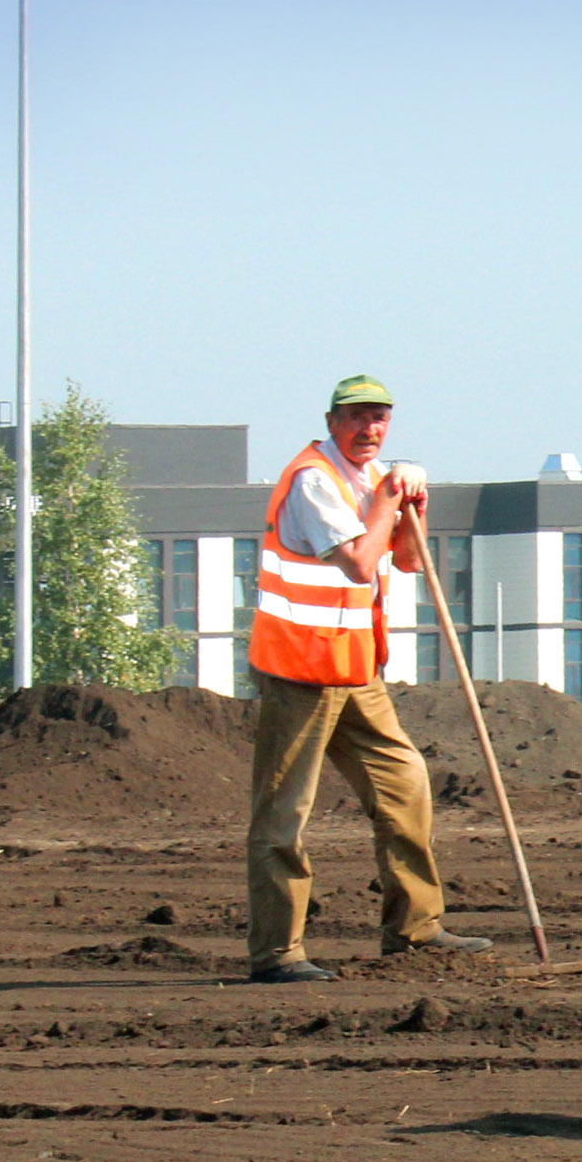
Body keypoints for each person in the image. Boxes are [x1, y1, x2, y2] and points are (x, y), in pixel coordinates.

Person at [245, 375, 492, 983]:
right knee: (284, 814)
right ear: (332, 422)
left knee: (405, 784)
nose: (370, 430)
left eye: (380, 418)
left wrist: (414, 507)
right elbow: (358, 564)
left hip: (355, 668)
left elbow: (406, 560)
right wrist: (388, 495)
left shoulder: (365, 479)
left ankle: (415, 927)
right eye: (357, 418)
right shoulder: (312, 481)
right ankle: (277, 953)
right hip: (301, 669)